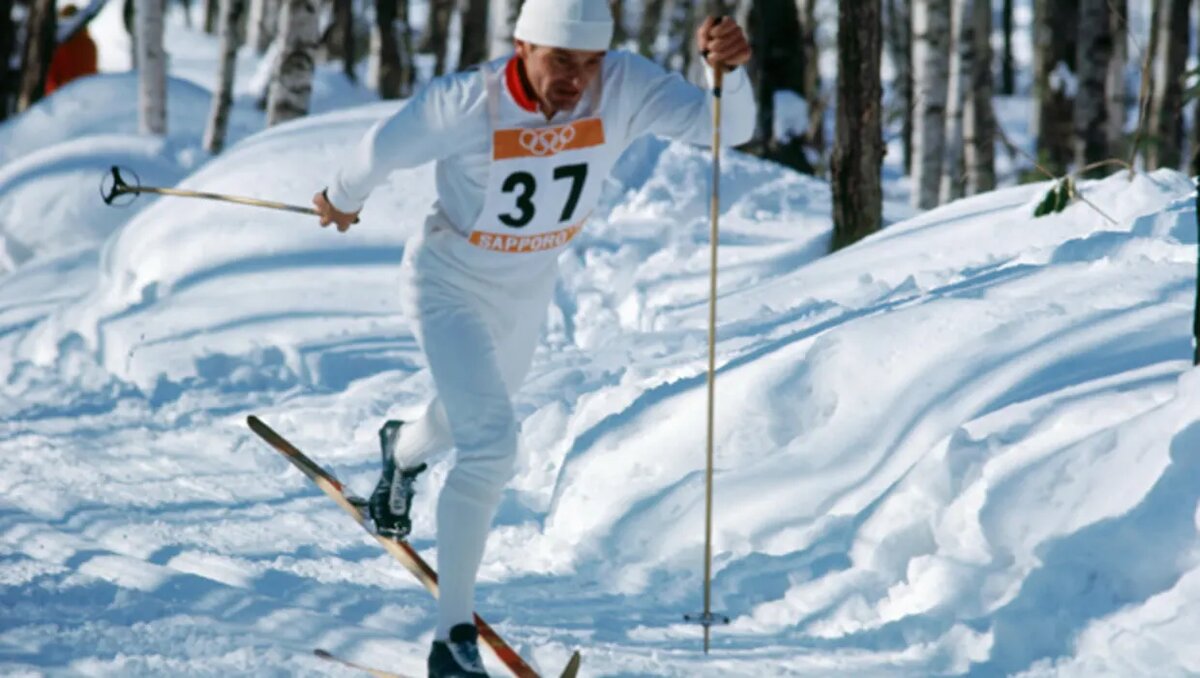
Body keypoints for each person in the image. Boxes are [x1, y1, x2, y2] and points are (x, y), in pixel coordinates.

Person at [312, 0, 754, 674]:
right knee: (491, 445)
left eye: (589, 63)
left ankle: (400, 453)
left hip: (527, 289)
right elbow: (379, 150)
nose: (577, 78)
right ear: (522, 45)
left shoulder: (625, 86)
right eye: (560, 60)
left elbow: (729, 130)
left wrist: (728, 73)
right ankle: (452, 639)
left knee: (468, 423)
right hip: (448, 284)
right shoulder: (466, 102)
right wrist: (342, 197)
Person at [46, 4, 98, 95]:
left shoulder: (61, 45)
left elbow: (52, 76)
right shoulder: (90, 44)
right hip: (87, 94)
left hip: (63, 95)